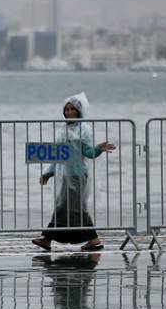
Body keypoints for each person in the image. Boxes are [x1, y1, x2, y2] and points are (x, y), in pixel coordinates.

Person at [32, 93, 115, 252]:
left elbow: (89, 152)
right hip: (65, 176)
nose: (69, 112)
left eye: (72, 109)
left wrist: (99, 149)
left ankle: (48, 238)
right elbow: (58, 156)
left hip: (78, 176)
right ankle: (87, 239)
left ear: (78, 111)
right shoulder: (63, 130)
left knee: (73, 208)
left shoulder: (83, 129)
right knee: (65, 206)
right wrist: (49, 173)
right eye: (67, 109)